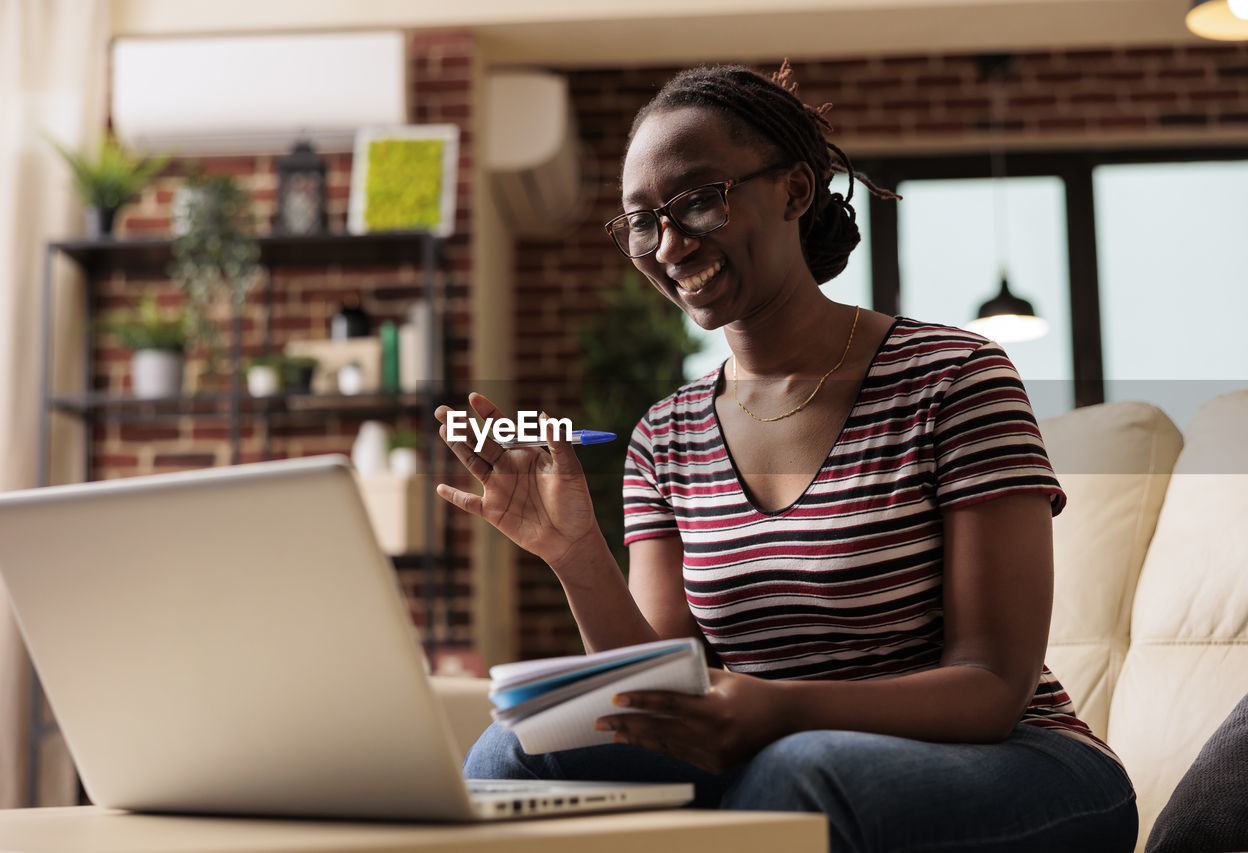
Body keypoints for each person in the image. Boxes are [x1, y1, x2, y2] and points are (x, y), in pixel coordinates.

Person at [434, 60, 1137, 853]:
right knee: (508, 754)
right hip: (787, 752)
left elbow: (991, 688)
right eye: (641, 220)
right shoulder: (665, 435)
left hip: (1016, 764)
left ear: (794, 191)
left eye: (699, 199)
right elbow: (664, 697)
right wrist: (575, 554)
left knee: (800, 775)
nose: (668, 244)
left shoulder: (955, 378)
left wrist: (778, 706)